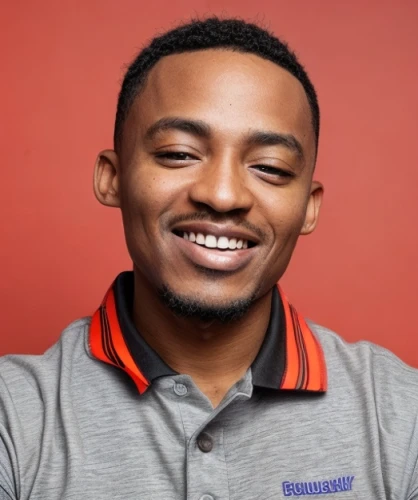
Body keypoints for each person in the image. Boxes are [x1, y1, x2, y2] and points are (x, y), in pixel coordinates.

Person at [1, 16, 418, 500]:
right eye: (179, 154)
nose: (222, 196)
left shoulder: (401, 418)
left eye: (270, 167)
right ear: (112, 178)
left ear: (309, 207)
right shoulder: (15, 417)